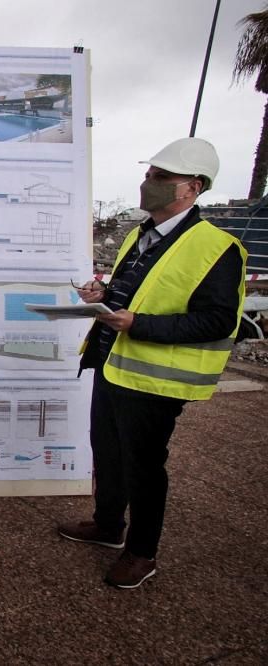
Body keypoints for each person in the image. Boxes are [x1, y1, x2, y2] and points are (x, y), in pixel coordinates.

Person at [59, 138, 246, 589]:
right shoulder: (138, 235)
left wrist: (138, 324)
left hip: (154, 380)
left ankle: (141, 553)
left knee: (142, 465)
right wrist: (103, 296)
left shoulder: (217, 248)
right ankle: (108, 526)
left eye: (162, 178)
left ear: (193, 188)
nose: (149, 184)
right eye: (149, 175)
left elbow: (219, 321)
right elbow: (133, 291)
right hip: (110, 363)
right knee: (106, 452)